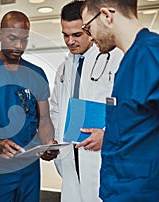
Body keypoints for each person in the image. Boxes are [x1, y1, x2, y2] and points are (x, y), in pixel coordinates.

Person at [0, 11, 58, 202]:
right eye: (12, 38)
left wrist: (48, 143)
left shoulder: (36, 73)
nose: (18, 46)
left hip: (29, 165)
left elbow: (44, 118)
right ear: (0, 35)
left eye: (24, 40)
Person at [81, 0, 159, 201]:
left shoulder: (151, 52)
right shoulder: (129, 60)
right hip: (120, 189)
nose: (90, 37)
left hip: (142, 192)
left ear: (106, 15)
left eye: (88, 28)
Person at [50, 1, 123, 202]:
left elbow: (128, 110)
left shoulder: (114, 58)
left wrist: (107, 135)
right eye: (65, 34)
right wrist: (55, 141)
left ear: (89, 30)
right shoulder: (64, 68)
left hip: (101, 153)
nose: (70, 41)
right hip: (70, 154)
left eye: (76, 35)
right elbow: (56, 109)